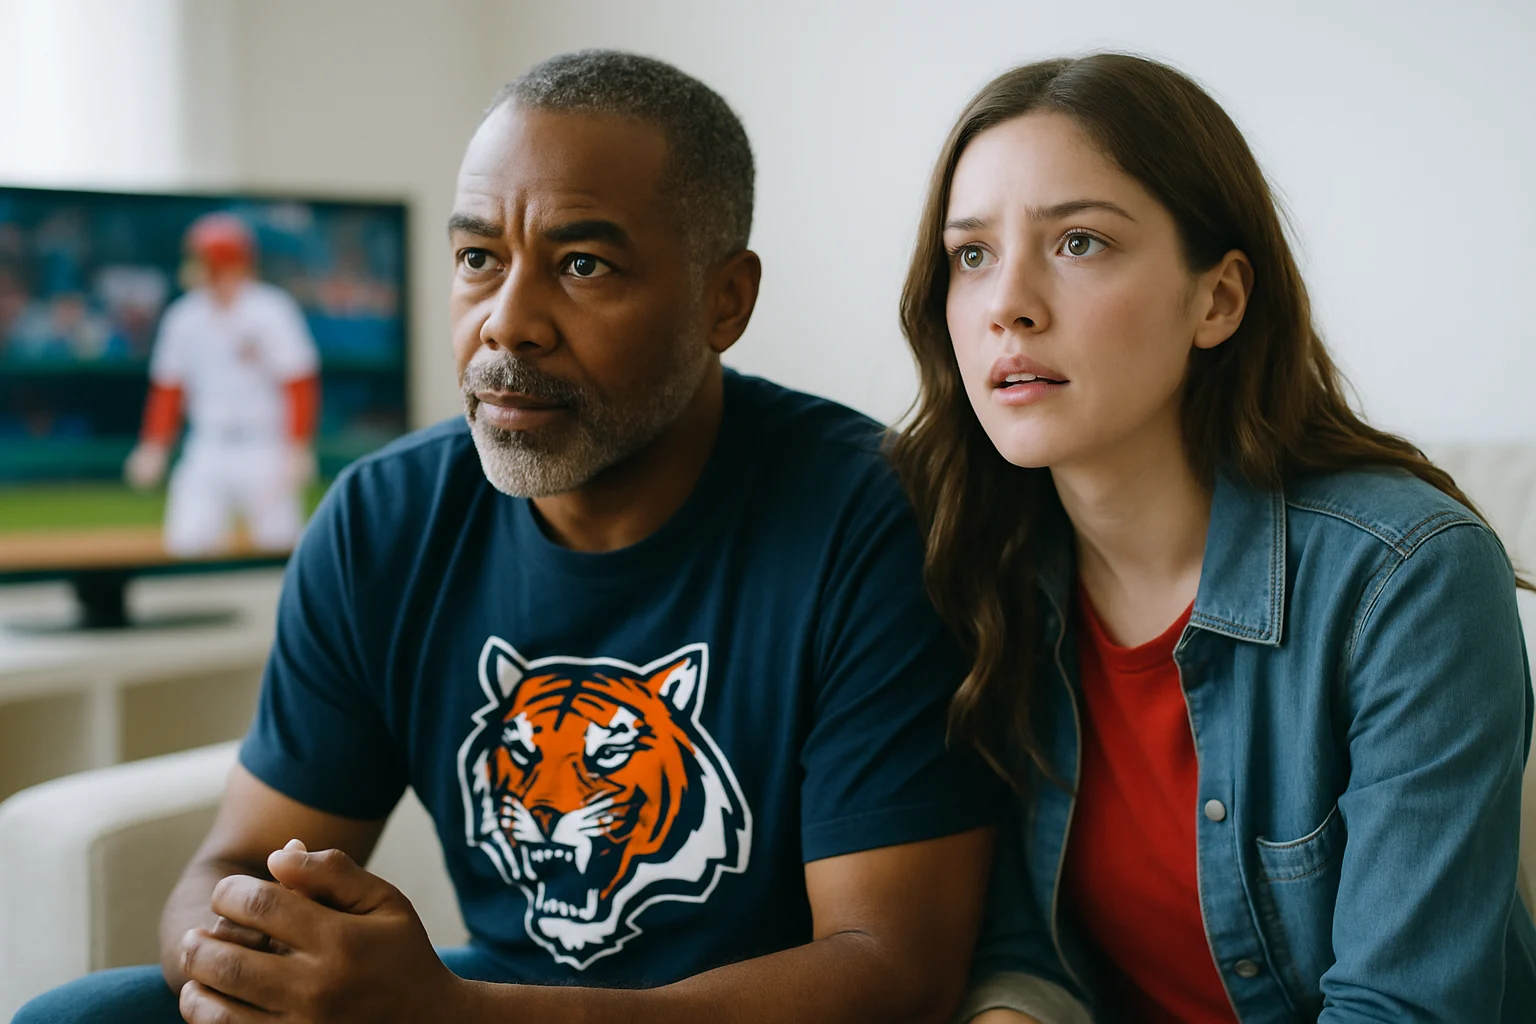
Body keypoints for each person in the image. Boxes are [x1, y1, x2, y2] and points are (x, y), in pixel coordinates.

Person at [16, 50, 998, 1023]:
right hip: (483, 997)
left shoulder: (874, 516)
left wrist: (453, 1016)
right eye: (479, 258)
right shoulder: (381, 521)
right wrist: (242, 960)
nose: (508, 323)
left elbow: (890, 972)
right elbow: (233, 860)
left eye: (583, 264)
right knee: (86, 1015)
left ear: (722, 301)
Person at [887, 53, 1536, 1023]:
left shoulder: (1407, 574)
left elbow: (1405, 1009)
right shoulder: (978, 562)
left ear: (1218, 300)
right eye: (971, 254)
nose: (1006, 303)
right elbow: (1024, 945)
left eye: (1078, 242)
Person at [124, 212, 321, 557]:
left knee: (283, 549)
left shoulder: (271, 309)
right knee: (186, 544)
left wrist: (298, 445)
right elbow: (168, 390)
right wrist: (154, 445)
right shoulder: (183, 316)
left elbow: (299, 383)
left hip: (264, 446)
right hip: (207, 447)